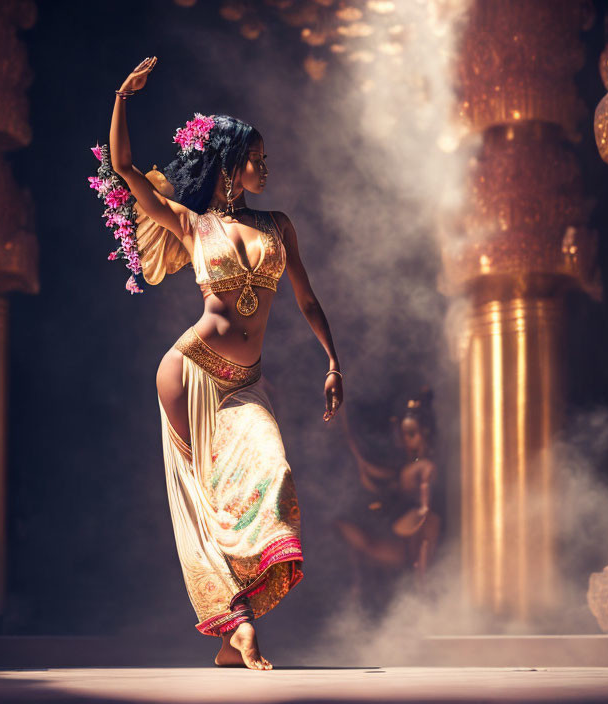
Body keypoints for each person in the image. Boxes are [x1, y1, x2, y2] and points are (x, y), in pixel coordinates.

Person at [108, 57, 343, 670]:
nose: (265, 167)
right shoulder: (191, 222)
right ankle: (236, 628)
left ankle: (233, 625)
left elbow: (308, 300)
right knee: (207, 499)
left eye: (266, 159)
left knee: (273, 473)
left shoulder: (278, 226)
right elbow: (126, 169)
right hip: (189, 372)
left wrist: (333, 361)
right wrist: (121, 99)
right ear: (230, 166)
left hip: (244, 382)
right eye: (256, 158)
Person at [335, 388, 440, 606]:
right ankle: (360, 587)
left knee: (426, 534)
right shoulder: (401, 466)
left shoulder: (425, 466)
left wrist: (422, 513)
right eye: (404, 435)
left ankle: (423, 581)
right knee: (362, 546)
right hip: (393, 516)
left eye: (412, 434)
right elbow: (374, 473)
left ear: (425, 433)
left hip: (412, 518)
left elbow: (425, 499)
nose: (407, 441)